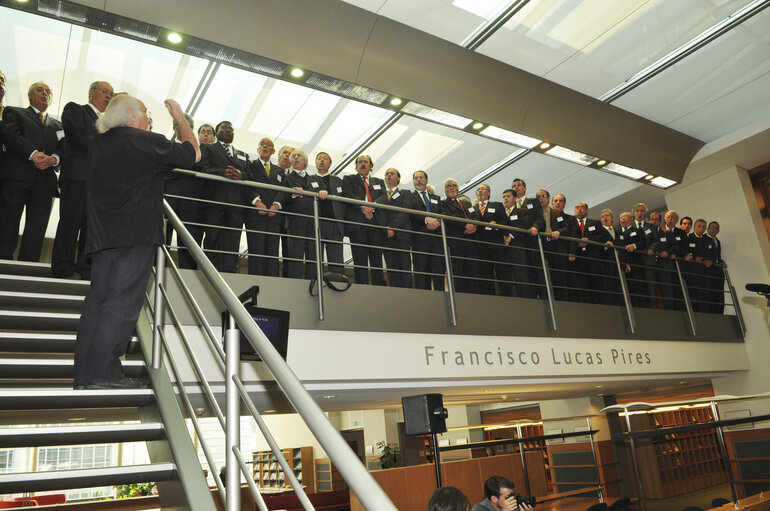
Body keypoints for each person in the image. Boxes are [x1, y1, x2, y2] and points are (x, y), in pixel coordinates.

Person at [73, 95, 199, 389]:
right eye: (145, 112)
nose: (148, 118)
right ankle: (105, 372)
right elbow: (193, 155)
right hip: (136, 235)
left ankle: (84, 375)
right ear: (131, 115)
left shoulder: (98, 145)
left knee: (97, 303)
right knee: (122, 302)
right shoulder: (143, 141)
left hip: (102, 237)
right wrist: (180, 119)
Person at [51, 80, 114, 279]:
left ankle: (84, 266)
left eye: (111, 94)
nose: (109, 97)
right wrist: (107, 150)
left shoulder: (110, 124)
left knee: (91, 227)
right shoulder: (75, 109)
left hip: (99, 182)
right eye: (105, 92)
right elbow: (78, 136)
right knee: (70, 222)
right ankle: (63, 267)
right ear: (91, 92)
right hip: (77, 176)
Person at [0, 81, 65, 262]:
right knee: (8, 223)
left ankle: (28, 266)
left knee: (37, 228)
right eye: (40, 90)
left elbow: (64, 149)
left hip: (45, 183)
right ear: (30, 96)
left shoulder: (59, 125)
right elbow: (10, 135)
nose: (45, 93)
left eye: (48, 91)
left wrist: (54, 159)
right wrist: (33, 154)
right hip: (17, 178)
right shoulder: (14, 112)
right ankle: (3, 262)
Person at [199, 121, 249, 273]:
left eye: (231, 129)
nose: (228, 131)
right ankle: (211, 274)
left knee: (233, 240)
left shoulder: (243, 154)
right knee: (213, 238)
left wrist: (241, 175)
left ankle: (230, 273)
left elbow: (252, 175)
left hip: (236, 204)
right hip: (215, 201)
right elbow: (202, 169)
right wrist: (222, 173)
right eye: (224, 128)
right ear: (216, 132)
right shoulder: (207, 147)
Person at [164, 112, 205, 270]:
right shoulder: (165, 146)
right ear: (175, 128)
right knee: (163, 239)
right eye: (185, 126)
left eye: (191, 127)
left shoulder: (200, 151)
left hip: (191, 203)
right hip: (168, 201)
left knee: (189, 242)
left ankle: (189, 276)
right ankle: (158, 270)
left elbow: (201, 169)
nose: (190, 130)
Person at [341, 154, 386, 285]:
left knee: (376, 257)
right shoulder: (348, 179)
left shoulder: (378, 182)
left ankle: (379, 286)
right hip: (357, 223)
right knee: (360, 258)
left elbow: (384, 197)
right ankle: (362, 285)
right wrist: (364, 207)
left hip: (375, 222)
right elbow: (348, 194)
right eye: (360, 162)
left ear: (371, 166)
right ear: (356, 166)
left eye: (365, 162)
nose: (363, 164)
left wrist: (372, 207)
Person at [244, 137, 286, 276]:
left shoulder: (279, 171)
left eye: (268, 145)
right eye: (262, 144)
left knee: (272, 252)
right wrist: (257, 202)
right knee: (256, 251)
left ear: (273, 151)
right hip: (255, 216)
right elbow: (247, 183)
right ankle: (255, 283)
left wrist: (276, 204)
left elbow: (282, 189)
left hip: (274, 217)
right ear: (257, 149)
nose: (265, 146)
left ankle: (272, 284)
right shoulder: (250, 165)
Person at [284, 149, 327, 279]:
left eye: (299, 156)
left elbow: (323, 194)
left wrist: (324, 192)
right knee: (295, 257)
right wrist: (292, 193)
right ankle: (294, 285)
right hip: (296, 222)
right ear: (291, 161)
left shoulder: (315, 179)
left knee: (313, 257)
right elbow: (283, 197)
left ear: (306, 161)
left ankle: (313, 285)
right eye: (294, 156)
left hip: (313, 223)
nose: (296, 158)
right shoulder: (287, 178)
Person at [441, 178, 479, 294]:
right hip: (456, 244)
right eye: (448, 186)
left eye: (454, 185)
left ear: (457, 188)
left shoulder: (467, 203)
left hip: (471, 243)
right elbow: (447, 217)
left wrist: (474, 226)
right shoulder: (443, 204)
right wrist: (465, 225)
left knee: (473, 272)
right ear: (445, 191)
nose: (451, 188)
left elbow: (476, 216)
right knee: (458, 274)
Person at [376, 168, 413, 287]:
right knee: (391, 267)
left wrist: (392, 227)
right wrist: (386, 229)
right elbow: (379, 213)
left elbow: (406, 211)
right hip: (386, 236)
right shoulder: (381, 196)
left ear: (398, 178)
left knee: (404, 266)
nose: (389, 175)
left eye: (392, 174)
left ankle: (408, 294)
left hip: (401, 234)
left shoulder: (405, 193)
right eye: (387, 174)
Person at [507, 178, 543, 298]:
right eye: (514, 186)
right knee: (523, 271)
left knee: (535, 269)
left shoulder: (533, 201)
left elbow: (540, 218)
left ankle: (542, 295)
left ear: (525, 188)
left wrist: (535, 227)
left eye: (519, 185)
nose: (516, 187)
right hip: (517, 243)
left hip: (530, 240)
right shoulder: (509, 206)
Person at [410, 170, 444, 291]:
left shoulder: (436, 198)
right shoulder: (410, 197)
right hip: (420, 240)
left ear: (426, 180)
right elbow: (410, 214)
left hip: (437, 240)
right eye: (416, 178)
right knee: (421, 272)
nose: (419, 180)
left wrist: (437, 222)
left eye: (421, 177)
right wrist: (426, 219)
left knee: (439, 272)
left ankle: (441, 301)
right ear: (413, 181)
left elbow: (442, 213)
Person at [315, 152, 346, 275]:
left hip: (335, 223)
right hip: (317, 222)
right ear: (315, 162)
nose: (322, 160)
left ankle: (338, 284)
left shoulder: (338, 181)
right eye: (319, 158)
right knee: (317, 257)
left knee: (337, 258)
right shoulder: (309, 179)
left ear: (330, 163)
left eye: (325, 158)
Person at [475, 184, 507, 295]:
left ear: (488, 193)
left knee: (502, 273)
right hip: (481, 247)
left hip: (496, 245)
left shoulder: (497, 205)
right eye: (478, 190)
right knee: (485, 275)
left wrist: (497, 224)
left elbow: (506, 222)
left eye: (482, 189)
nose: (480, 191)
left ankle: (507, 297)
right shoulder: (472, 209)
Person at [567, 201, 602, 303]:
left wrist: (589, 240)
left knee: (596, 283)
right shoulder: (571, 224)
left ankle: (599, 305)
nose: (579, 209)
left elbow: (602, 237)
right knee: (582, 284)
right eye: (577, 207)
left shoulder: (595, 223)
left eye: (582, 207)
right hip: (578, 259)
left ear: (587, 210)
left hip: (592, 258)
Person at [707, 221, 727, 314]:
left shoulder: (717, 241)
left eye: (716, 228)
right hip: (709, 271)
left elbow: (717, 256)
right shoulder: (704, 239)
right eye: (712, 227)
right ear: (708, 229)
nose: (714, 229)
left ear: (718, 231)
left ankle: (720, 312)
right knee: (711, 294)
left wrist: (721, 262)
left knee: (720, 294)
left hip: (718, 271)